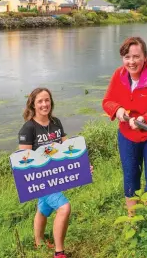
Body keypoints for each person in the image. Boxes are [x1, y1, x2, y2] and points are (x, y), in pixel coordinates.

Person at [18, 87, 93, 258]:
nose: (44, 104)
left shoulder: (56, 122)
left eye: (47, 100)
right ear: (33, 105)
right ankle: (59, 252)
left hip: (57, 176)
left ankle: (38, 242)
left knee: (43, 209)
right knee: (64, 208)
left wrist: (83, 166)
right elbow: (24, 160)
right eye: (40, 101)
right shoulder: (28, 129)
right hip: (41, 179)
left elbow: (68, 148)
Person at [102, 36, 147, 216]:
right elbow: (107, 101)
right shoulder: (119, 75)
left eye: (136, 56)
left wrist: (144, 119)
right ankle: (132, 217)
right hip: (128, 134)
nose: (131, 62)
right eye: (127, 57)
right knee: (131, 175)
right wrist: (117, 110)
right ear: (122, 58)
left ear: (145, 57)